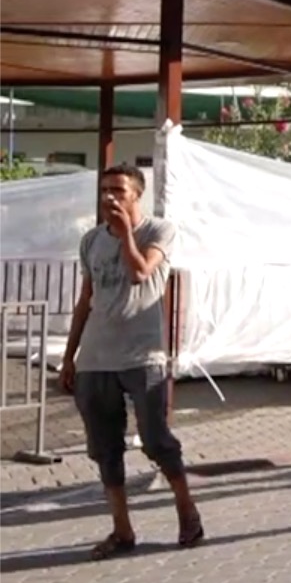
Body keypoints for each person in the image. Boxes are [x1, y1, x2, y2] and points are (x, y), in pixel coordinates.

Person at [59, 163, 203, 559]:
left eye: (119, 191)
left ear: (136, 195)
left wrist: (125, 235)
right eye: (105, 190)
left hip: (143, 356)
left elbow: (141, 273)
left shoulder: (158, 231)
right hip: (96, 358)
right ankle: (122, 530)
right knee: (105, 448)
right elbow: (85, 300)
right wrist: (69, 356)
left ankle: (186, 509)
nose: (110, 198)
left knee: (156, 440)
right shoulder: (91, 241)